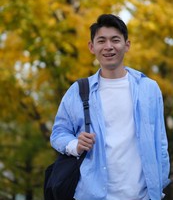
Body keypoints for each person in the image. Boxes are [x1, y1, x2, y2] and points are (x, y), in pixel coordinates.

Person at [50, 14, 170, 200]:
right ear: (92, 47)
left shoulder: (149, 88)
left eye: (115, 40)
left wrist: (159, 186)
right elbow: (58, 133)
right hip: (92, 194)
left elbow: (160, 143)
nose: (108, 46)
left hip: (143, 195)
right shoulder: (79, 90)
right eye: (101, 41)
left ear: (127, 45)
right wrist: (75, 144)